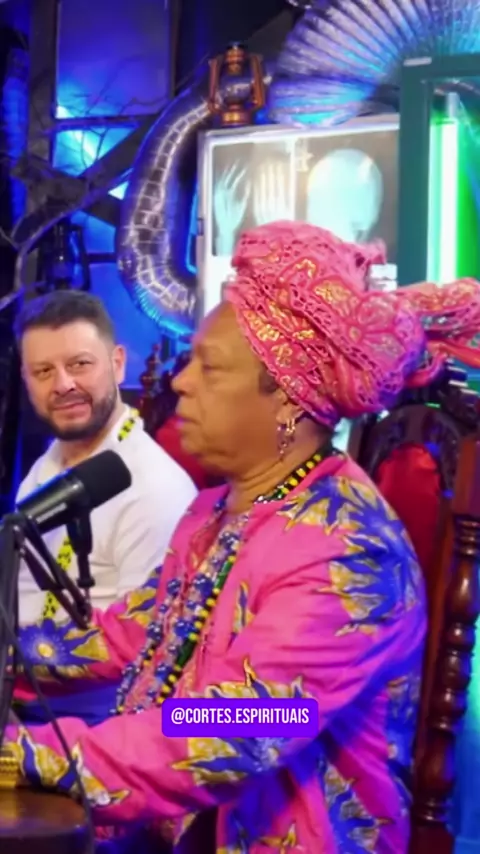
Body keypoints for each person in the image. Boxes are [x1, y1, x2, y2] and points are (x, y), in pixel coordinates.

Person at [2, 221, 480, 853]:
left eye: (210, 366)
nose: (180, 381)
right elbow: (136, 634)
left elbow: (232, 725)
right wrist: (11, 658)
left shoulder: (348, 550)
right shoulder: (217, 511)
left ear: (286, 399)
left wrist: (25, 755)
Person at [13, 290, 196, 724]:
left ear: (117, 363)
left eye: (79, 364)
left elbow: (145, 651)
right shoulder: (45, 467)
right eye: (43, 371)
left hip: (92, 724)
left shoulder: (156, 487)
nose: (63, 385)